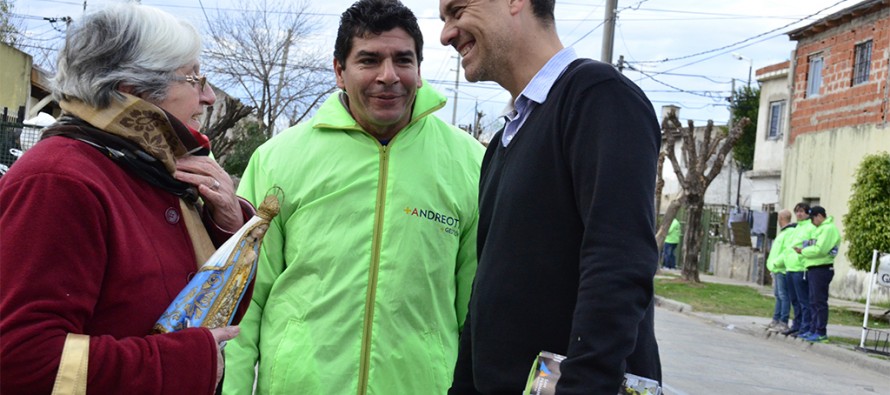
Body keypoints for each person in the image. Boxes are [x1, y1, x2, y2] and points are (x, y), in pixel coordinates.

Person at [222, 0, 484, 393]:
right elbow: (242, 298)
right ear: (339, 71)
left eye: (403, 60)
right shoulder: (277, 160)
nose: (389, 76)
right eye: (369, 60)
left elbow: (476, 310)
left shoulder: (471, 163)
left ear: (419, 68)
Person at [0, 4, 254, 394]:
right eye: (194, 78)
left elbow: (200, 310)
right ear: (134, 90)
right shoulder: (59, 180)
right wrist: (186, 362)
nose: (206, 97)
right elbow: (21, 360)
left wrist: (228, 226)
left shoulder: (146, 170)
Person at [439, 0, 662, 393]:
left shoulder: (598, 97)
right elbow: (486, 293)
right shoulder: (504, 142)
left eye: (457, 11)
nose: (446, 34)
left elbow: (618, 264)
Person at [795, 206, 841, 343]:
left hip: (822, 268)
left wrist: (803, 251)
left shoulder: (828, 229)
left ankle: (821, 331)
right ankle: (813, 329)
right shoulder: (818, 229)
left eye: (813, 218)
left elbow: (820, 250)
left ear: (820, 216)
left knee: (819, 301)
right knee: (812, 301)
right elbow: (812, 246)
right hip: (813, 267)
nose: (812, 222)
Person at [783, 202, 815, 337]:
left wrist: (802, 260)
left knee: (803, 300)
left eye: (802, 211)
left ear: (808, 213)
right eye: (797, 212)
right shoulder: (796, 227)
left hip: (800, 268)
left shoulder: (810, 227)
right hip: (790, 267)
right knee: (794, 300)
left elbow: (809, 246)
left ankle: (804, 326)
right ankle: (796, 325)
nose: (799, 214)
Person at [765, 210, 794, 333]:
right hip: (777, 269)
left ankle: (783, 321)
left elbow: (786, 252)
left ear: (781, 218)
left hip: (782, 269)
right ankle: (776, 319)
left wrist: (777, 263)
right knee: (778, 295)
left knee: (783, 295)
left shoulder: (789, 233)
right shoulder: (783, 233)